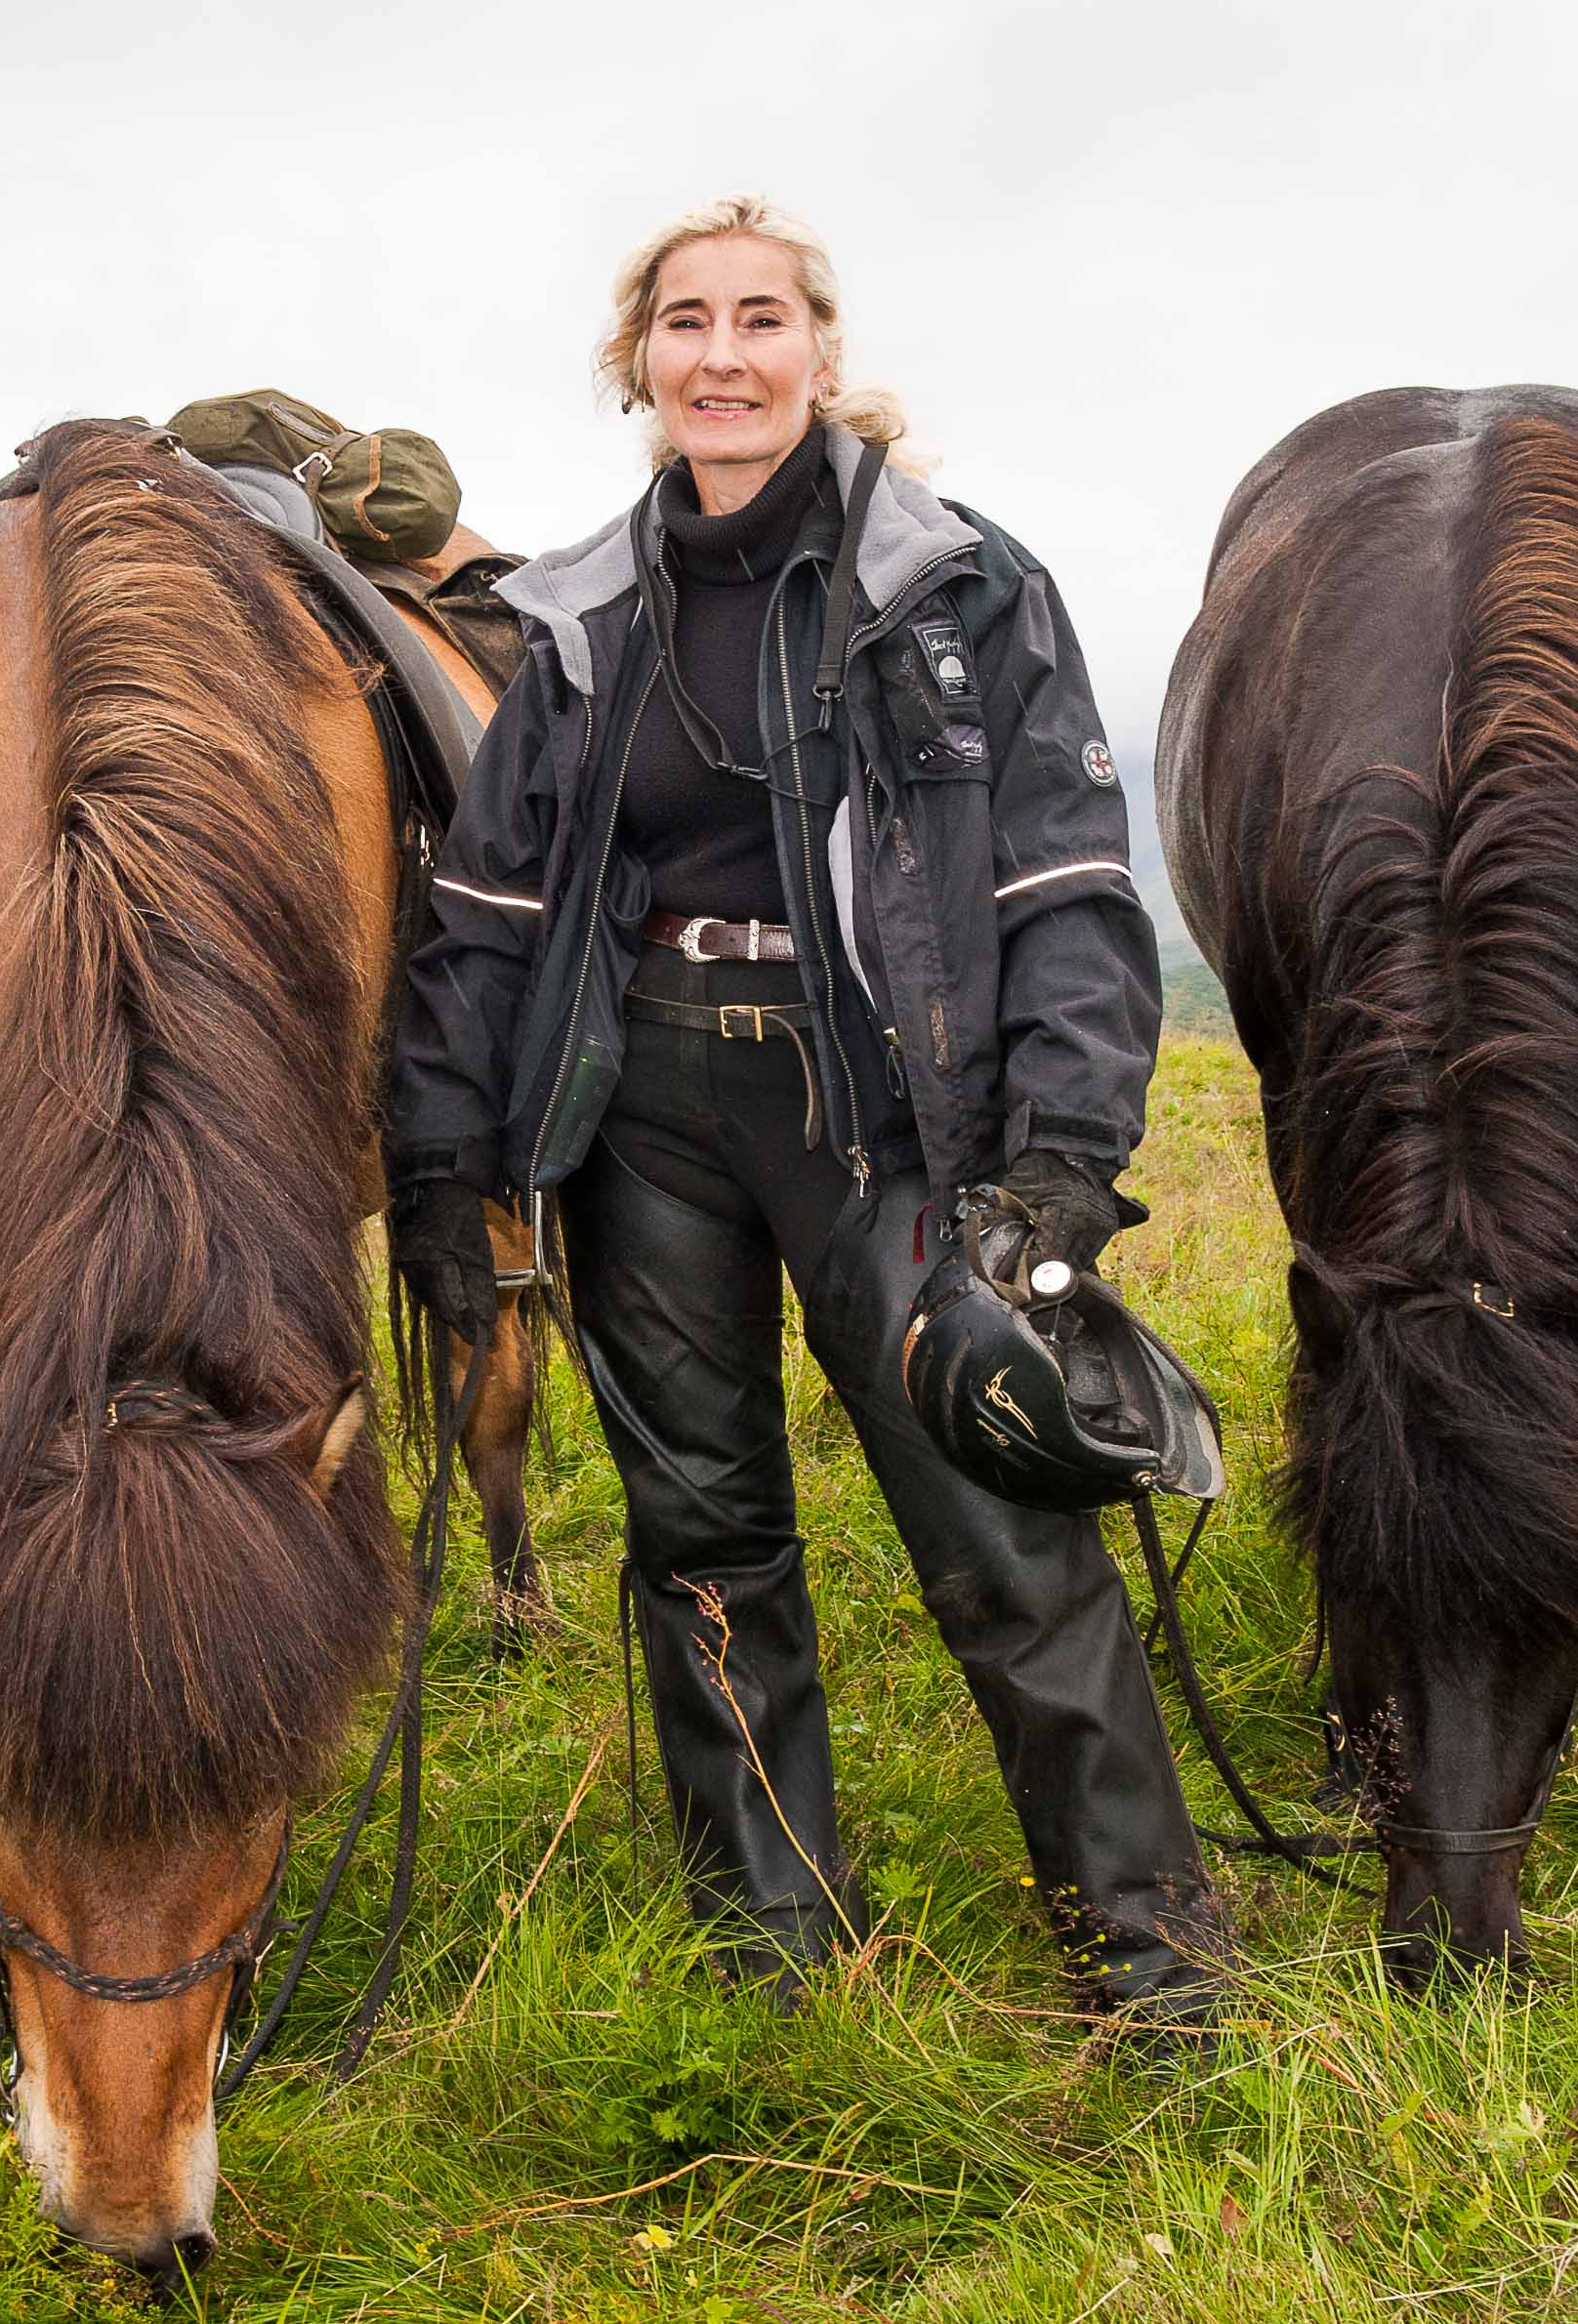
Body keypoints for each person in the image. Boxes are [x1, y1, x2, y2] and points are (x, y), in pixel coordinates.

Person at [385, 194, 1227, 2021]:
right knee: (702, 1534)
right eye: (686, 323)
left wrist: (1064, 1153)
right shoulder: (584, 617)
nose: (724, 356)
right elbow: (489, 910)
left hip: (884, 1107)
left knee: (1000, 1518)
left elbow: (1067, 888)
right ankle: (773, 1943)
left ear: (821, 355)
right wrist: (443, 1161)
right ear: (640, 366)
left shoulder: (960, 586)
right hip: (647, 1106)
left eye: (761, 320)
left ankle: (1153, 1959)